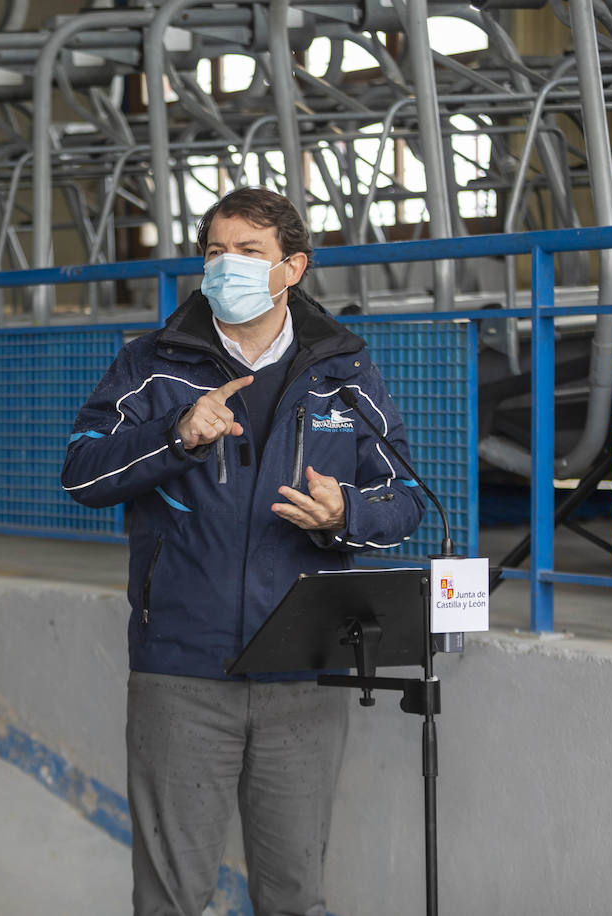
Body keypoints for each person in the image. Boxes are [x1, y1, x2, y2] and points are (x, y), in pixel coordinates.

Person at [61, 187, 425, 916]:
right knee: (171, 899)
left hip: (302, 674)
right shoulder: (151, 365)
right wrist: (176, 434)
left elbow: (407, 500)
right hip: (182, 671)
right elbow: (82, 475)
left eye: (248, 252)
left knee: (295, 896)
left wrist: (343, 512)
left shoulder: (344, 372)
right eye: (215, 251)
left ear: (292, 268)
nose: (226, 265)